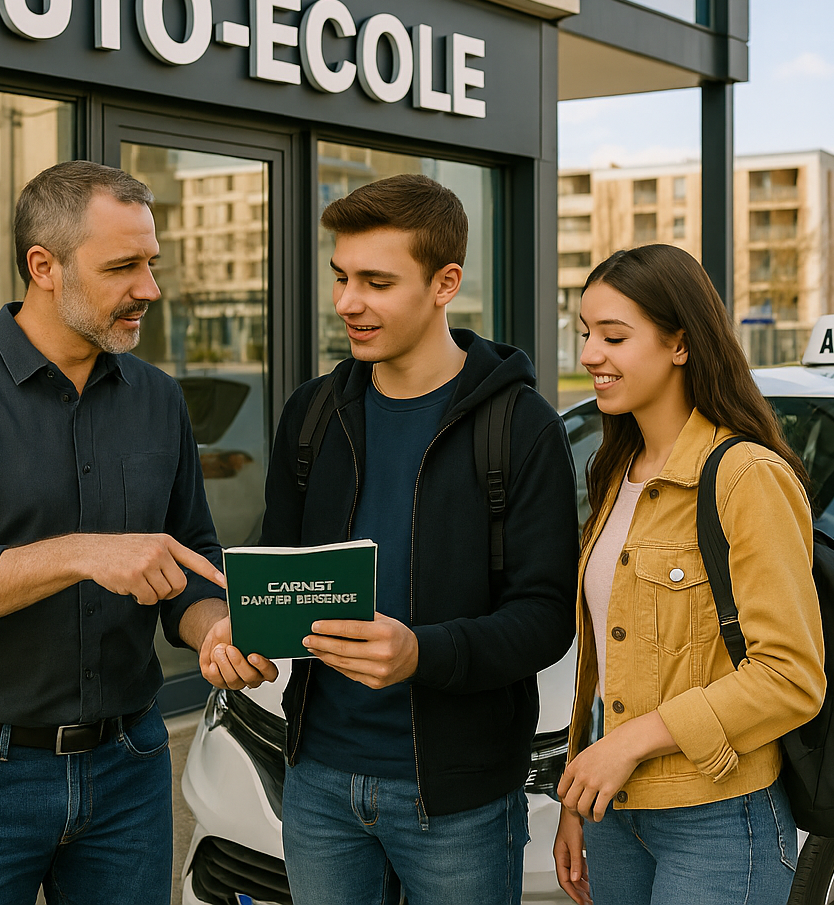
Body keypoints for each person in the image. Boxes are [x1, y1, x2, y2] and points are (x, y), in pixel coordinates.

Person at [198, 173, 579, 905]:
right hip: (314, 780)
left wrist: (420, 653)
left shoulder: (519, 425)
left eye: (375, 281)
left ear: (446, 284)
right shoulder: (311, 413)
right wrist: (234, 635)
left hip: (458, 798)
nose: (347, 302)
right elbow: (279, 572)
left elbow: (545, 619)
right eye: (341, 277)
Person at [0, 161, 235, 905]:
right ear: (44, 267)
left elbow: (190, 562)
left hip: (130, 768)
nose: (150, 290)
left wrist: (214, 630)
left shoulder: (159, 399)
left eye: (151, 264)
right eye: (123, 267)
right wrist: (81, 554)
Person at [552, 244, 826, 905]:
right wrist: (578, 786)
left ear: (680, 344)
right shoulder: (616, 474)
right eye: (586, 333)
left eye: (614, 336)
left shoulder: (746, 477)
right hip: (613, 812)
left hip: (719, 822)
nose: (589, 354)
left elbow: (791, 677)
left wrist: (629, 746)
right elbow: (606, 664)